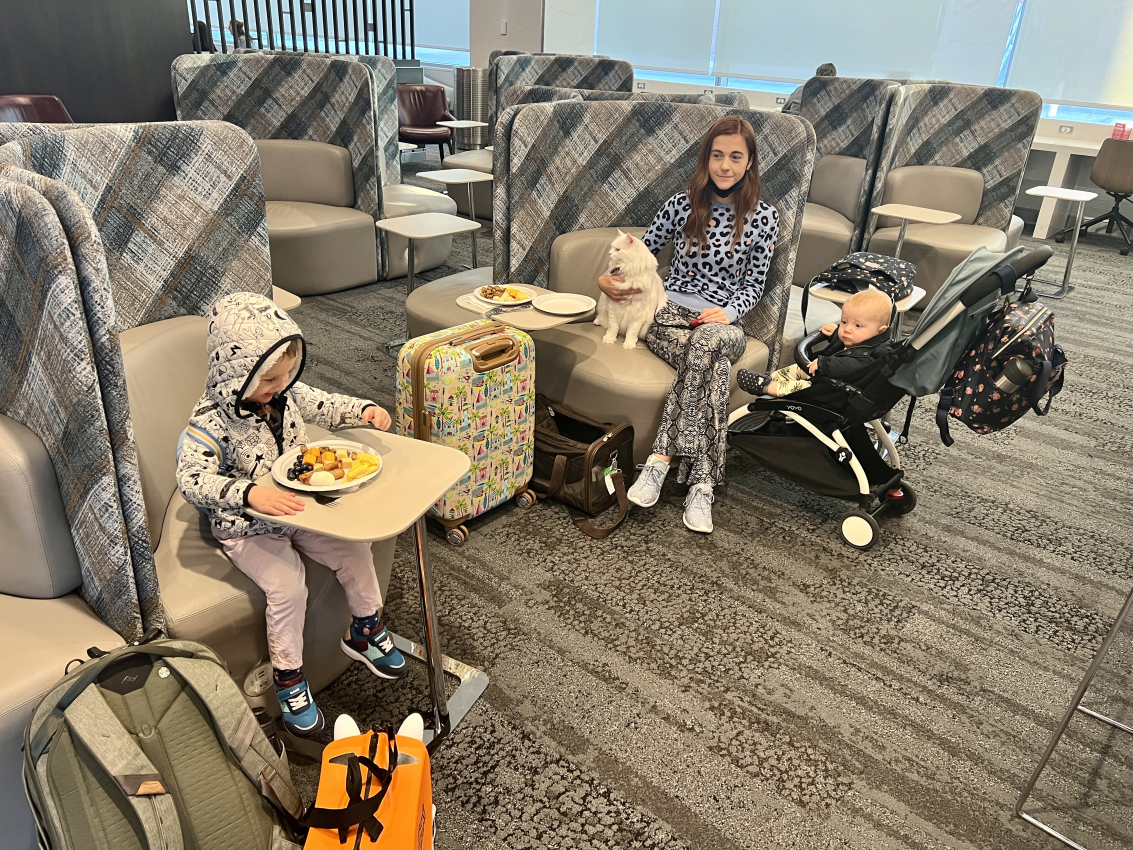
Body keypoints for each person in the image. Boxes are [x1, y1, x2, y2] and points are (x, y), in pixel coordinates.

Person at [176, 293, 405, 737]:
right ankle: (289, 680)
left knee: (356, 548)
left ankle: (365, 628)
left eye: (285, 377)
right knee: (287, 587)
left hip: (298, 511)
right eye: (268, 380)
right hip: (246, 528)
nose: (279, 388)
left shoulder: (285, 392)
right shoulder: (209, 422)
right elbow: (190, 479)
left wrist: (363, 410)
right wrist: (248, 495)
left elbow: (324, 403)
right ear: (234, 374)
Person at [607, 115, 779, 534]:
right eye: (717, 155)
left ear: (750, 162)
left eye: (735, 156)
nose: (725, 165)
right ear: (706, 159)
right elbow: (640, 254)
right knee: (712, 364)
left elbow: (756, 282)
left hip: (721, 321)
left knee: (709, 344)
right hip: (667, 312)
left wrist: (731, 311)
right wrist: (607, 278)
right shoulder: (683, 203)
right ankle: (702, 482)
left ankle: (661, 458)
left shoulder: (765, 217)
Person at [736, 288, 893, 397]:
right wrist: (836, 334)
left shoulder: (876, 354)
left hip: (835, 389)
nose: (847, 330)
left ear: (880, 331)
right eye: (844, 321)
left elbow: (852, 366)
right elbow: (848, 347)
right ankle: (771, 377)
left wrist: (825, 364)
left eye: (857, 325)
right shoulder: (865, 339)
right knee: (800, 368)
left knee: (803, 387)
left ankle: (768, 387)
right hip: (828, 377)